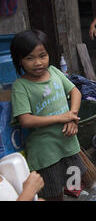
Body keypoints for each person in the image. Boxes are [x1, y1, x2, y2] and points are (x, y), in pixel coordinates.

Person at [9, 29, 87, 201]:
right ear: (19, 60)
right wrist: (61, 118)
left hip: (67, 143)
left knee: (73, 184)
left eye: (42, 55)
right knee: (53, 194)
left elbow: (75, 92)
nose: (38, 62)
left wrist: (72, 116)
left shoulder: (54, 72)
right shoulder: (21, 86)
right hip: (46, 152)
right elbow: (25, 119)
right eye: (30, 58)